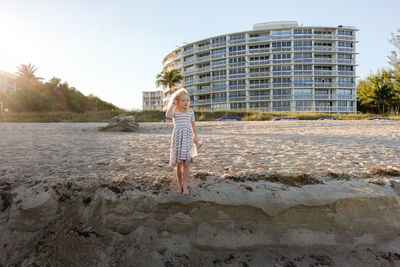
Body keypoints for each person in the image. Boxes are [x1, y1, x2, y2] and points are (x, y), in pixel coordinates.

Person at [165, 88, 198, 196]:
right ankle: (179, 185)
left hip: (188, 138)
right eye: (183, 100)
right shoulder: (175, 111)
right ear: (178, 101)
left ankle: (185, 186)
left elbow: (193, 125)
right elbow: (168, 116)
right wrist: (173, 103)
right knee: (179, 164)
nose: (185, 102)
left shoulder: (191, 112)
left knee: (187, 163)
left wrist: (196, 137)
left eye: (187, 100)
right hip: (178, 137)